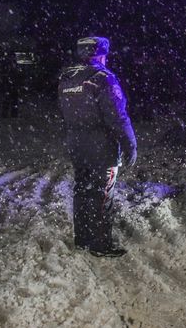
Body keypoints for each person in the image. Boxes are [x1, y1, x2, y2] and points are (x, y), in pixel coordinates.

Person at [58, 37, 137, 258]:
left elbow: (64, 114)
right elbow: (118, 118)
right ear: (101, 54)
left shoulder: (66, 78)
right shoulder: (103, 79)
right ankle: (100, 243)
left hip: (76, 144)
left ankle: (82, 238)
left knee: (82, 190)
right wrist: (130, 145)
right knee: (102, 194)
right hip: (102, 147)